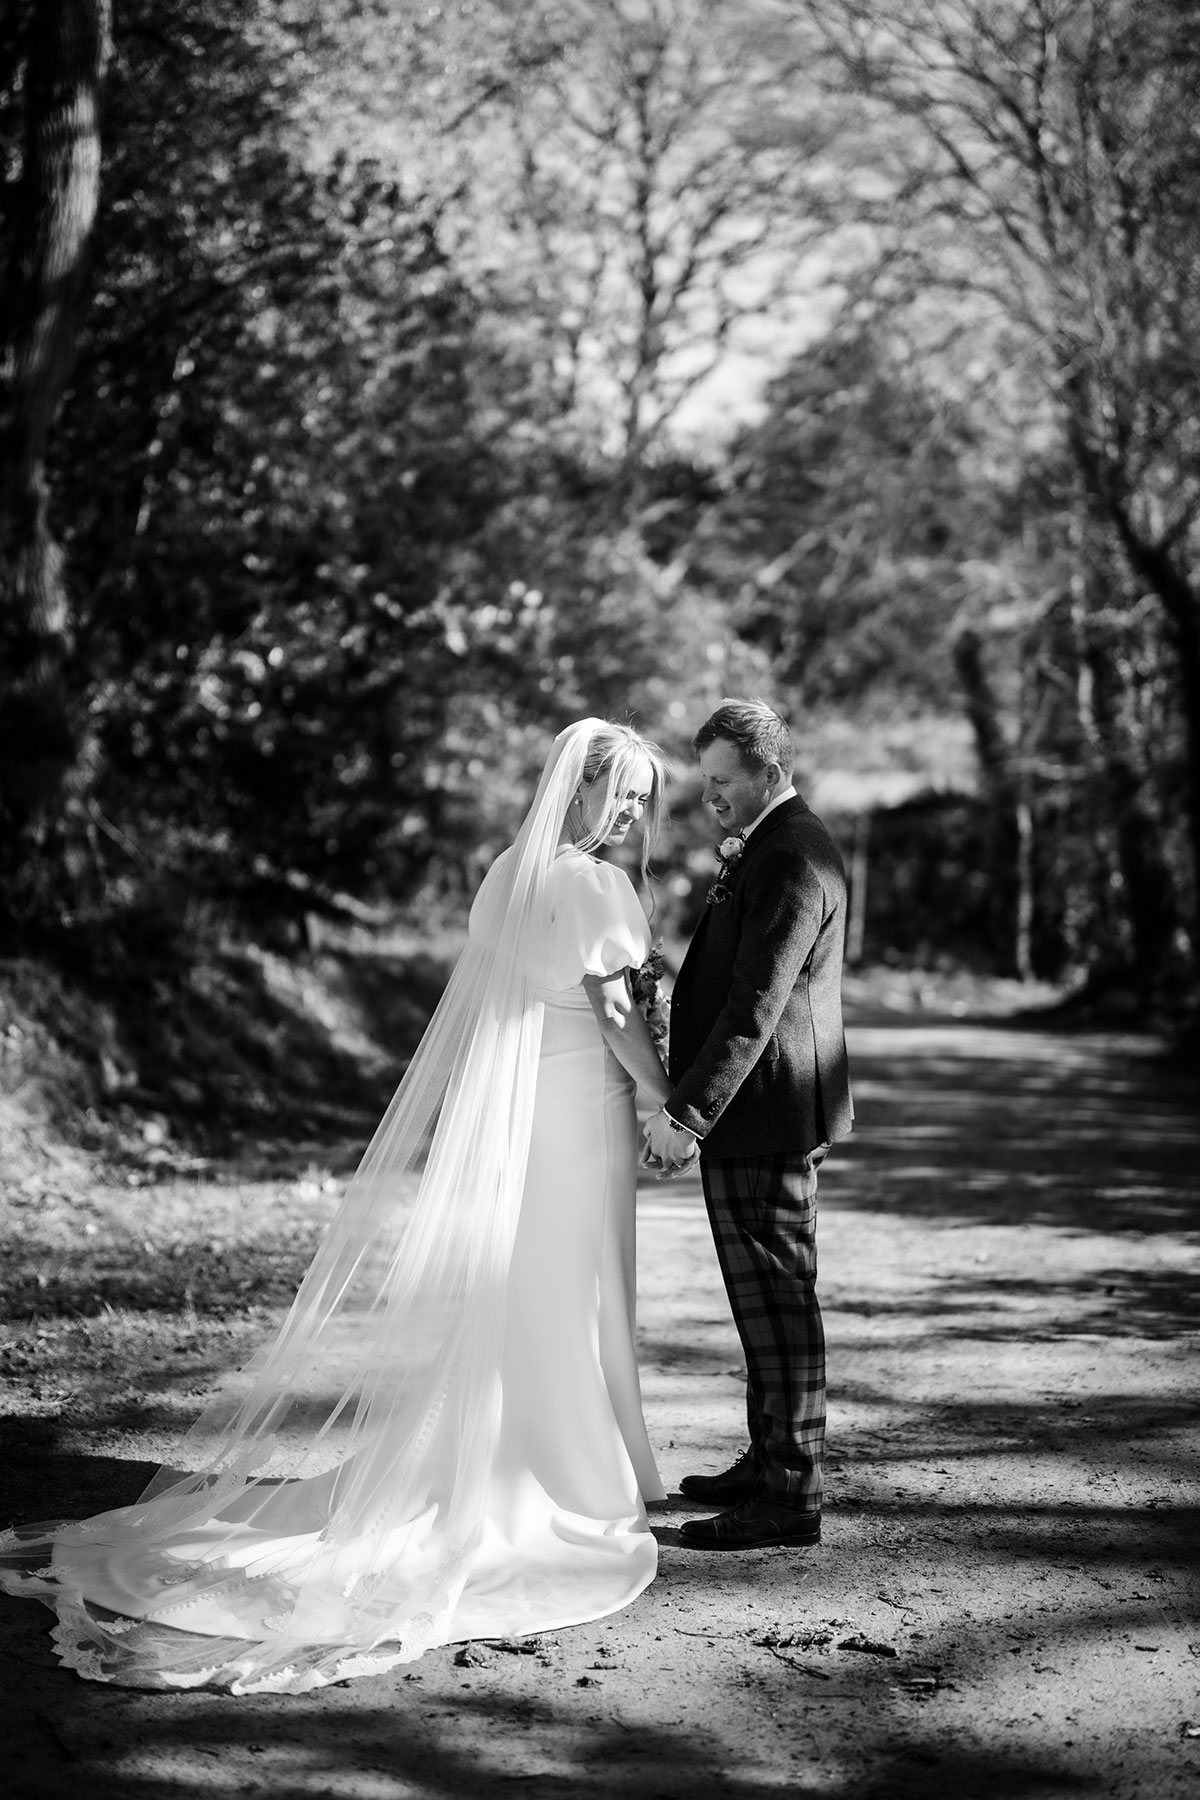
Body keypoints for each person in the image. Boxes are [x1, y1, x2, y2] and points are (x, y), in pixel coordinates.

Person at [0, 719, 674, 1692]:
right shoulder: (598, 887)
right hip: (583, 1113)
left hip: (527, 1120)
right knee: (574, 1286)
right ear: (584, 792)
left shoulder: (508, 876)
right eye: (628, 795)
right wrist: (660, 1096)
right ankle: (566, 1474)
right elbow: (613, 1013)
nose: (636, 814)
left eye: (644, 799)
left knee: (532, 1281)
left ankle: (533, 1450)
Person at [641, 699, 853, 1550]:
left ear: (769, 770)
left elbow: (758, 1005)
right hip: (757, 1114)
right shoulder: (771, 846)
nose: (712, 797)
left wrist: (687, 1113)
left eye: (724, 781)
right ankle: (770, 1460)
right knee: (761, 1300)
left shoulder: (793, 858)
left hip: (763, 1115)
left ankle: (789, 1498)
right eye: (707, 781)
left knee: (778, 1304)